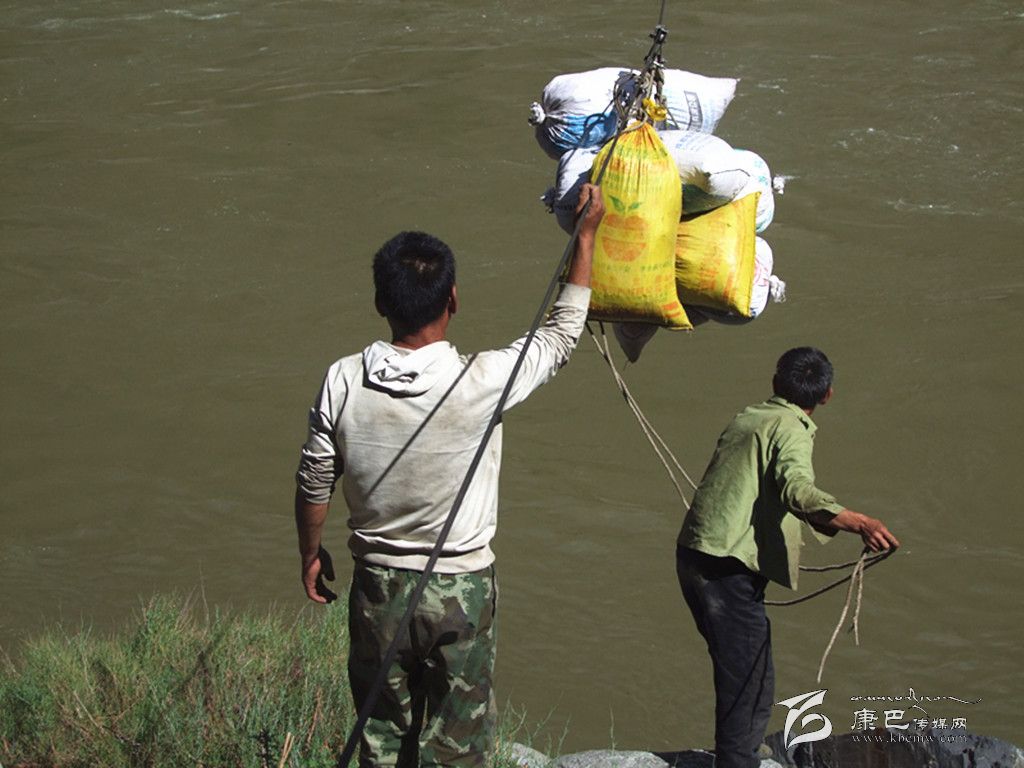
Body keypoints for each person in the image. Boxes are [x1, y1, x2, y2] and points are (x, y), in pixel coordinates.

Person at [293, 185, 604, 768]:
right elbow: (561, 336)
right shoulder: (481, 381)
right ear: (453, 299)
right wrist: (584, 237)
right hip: (460, 588)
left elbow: (314, 482)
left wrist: (311, 554)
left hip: (377, 588)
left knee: (380, 740)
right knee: (456, 748)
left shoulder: (342, 379)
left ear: (380, 302)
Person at [676, 346, 899, 768]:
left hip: (694, 554)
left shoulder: (750, 416)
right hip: (726, 567)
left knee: (752, 664)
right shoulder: (792, 429)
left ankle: (748, 748)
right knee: (744, 675)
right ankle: (737, 761)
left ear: (775, 382)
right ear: (827, 395)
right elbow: (797, 489)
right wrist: (858, 522)